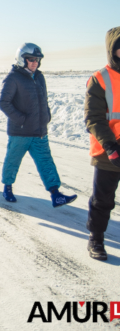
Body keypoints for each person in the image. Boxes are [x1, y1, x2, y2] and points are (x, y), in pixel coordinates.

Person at [0, 43, 77, 207]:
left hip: (39, 131)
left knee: (46, 162)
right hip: (20, 132)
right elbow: (3, 102)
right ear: (22, 59)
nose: (35, 63)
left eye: (37, 60)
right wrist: (20, 119)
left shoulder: (39, 77)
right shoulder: (13, 77)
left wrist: (46, 114)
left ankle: (56, 194)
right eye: (31, 59)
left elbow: (43, 99)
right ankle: (8, 188)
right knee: (13, 161)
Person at [84, 26, 120, 261]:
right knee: (103, 199)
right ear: (112, 50)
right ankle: (96, 238)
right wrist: (110, 146)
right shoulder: (100, 79)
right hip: (109, 150)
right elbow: (94, 118)